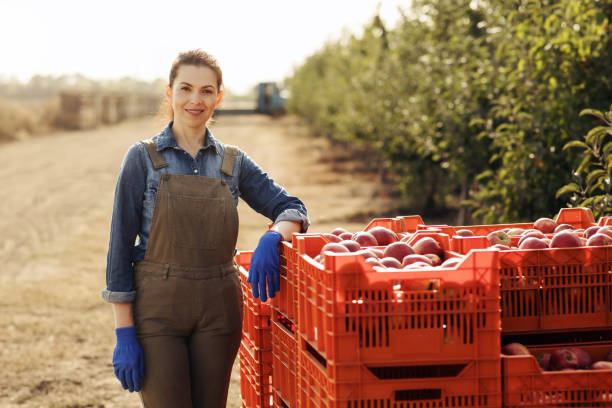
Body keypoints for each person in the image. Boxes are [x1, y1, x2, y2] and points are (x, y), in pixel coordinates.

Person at [101, 49, 309, 407]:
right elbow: (119, 245)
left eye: (206, 91)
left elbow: (293, 208)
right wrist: (124, 331)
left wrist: (275, 236)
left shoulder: (233, 162)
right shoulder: (143, 158)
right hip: (158, 310)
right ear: (170, 93)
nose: (195, 100)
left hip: (220, 309)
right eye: (186, 88)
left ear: (218, 97)